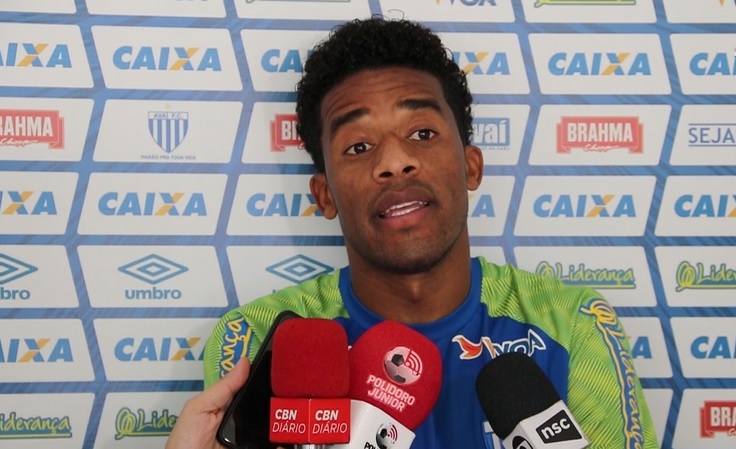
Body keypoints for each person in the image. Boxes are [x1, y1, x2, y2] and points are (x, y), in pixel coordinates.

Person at [174, 17, 659, 449]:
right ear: (324, 196)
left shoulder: (572, 325)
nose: (394, 161)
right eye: (358, 146)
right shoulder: (257, 339)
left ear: (470, 166)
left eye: (422, 134)